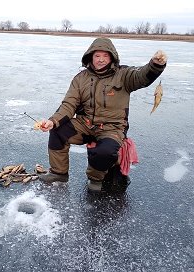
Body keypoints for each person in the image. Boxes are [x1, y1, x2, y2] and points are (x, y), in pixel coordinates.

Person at [38, 37, 167, 192]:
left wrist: (155, 65)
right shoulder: (80, 79)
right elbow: (69, 104)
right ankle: (59, 173)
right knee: (58, 132)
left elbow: (141, 76)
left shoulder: (124, 75)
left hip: (112, 127)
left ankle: (95, 179)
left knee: (104, 151)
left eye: (105, 56)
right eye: (97, 56)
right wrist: (53, 121)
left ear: (112, 57)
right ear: (90, 57)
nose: (101, 60)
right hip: (85, 124)